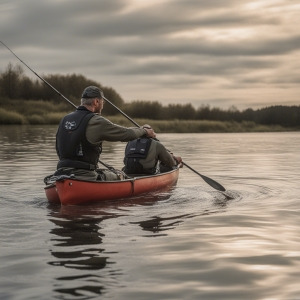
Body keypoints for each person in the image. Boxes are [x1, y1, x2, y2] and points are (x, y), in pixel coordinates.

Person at [55, 86, 156, 181]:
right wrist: (144, 131)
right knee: (120, 175)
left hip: (61, 174)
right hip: (85, 177)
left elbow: (58, 148)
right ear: (96, 101)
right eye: (102, 103)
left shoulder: (64, 119)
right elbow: (126, 134)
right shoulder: (97, 121)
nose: (102, 106)